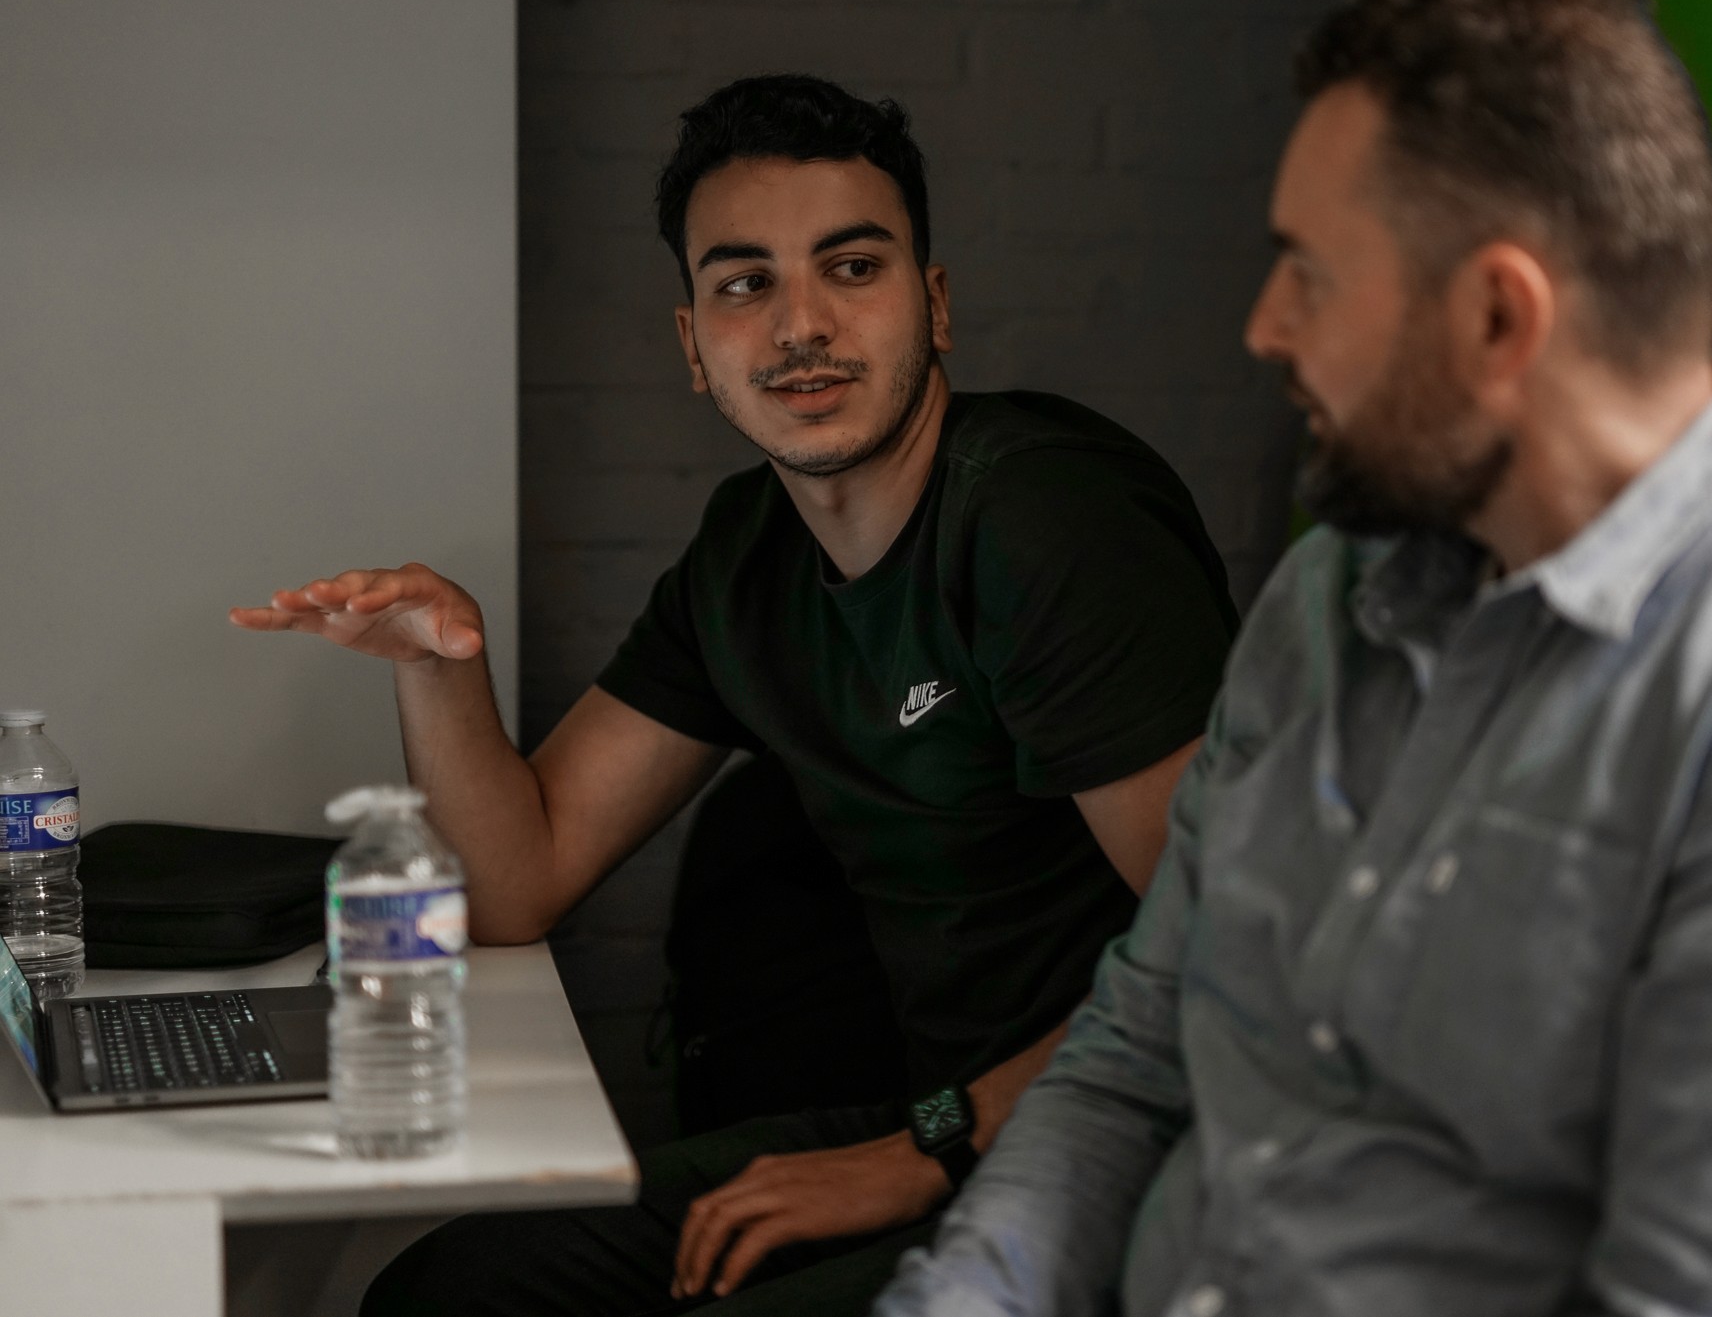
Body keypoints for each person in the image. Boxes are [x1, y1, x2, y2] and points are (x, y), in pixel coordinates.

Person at [874, 0, 1712, 1317]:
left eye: (1310, 276)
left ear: (1500, 315)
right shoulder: (1327, 596)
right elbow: (1132, 1060)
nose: (1264, 328)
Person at [230, 73, 1239, 1315]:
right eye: (746, 282)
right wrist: (444, 668)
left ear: (934, 304)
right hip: (948, 1116)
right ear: (694, 346)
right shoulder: (746, 554)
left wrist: (923, 1146)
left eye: (853, 268)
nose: (800, 323)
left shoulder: (1045, 521)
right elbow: (515, 883)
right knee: (456, 1290)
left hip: (1143, 1150)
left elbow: (1240, 959)